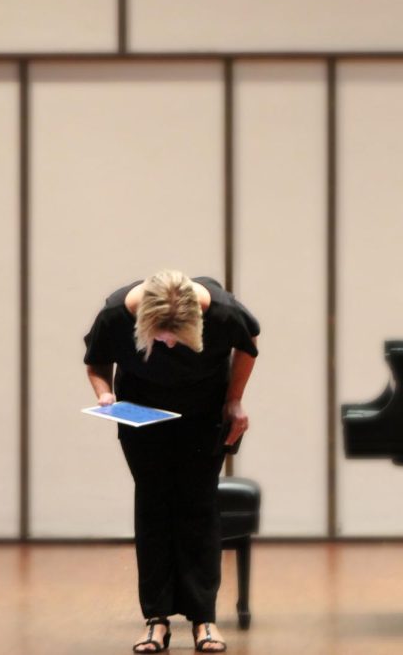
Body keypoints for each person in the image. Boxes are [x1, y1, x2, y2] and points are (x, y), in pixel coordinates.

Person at [84, 270, 259, 653]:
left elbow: (249, 344)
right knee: (153, 505)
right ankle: (156, 620)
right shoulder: (116, 313)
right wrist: (105, 395)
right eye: (161, 338)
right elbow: (96, 363)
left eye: (178, 339)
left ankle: (204, 620)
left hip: (203, 414)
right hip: (142, 416)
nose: (169, 345)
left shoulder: (223, 313)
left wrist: (235, 398)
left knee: (199, 505)